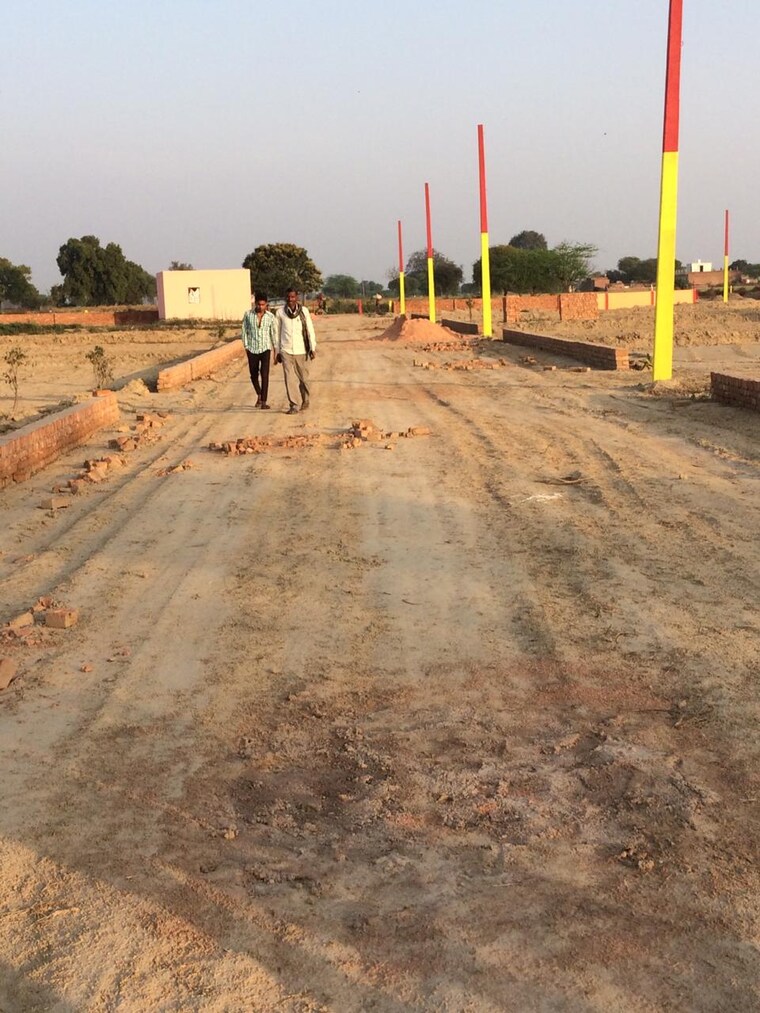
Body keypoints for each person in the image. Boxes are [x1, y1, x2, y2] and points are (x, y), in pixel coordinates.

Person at [275, 288, 316, 414]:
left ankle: (305, 399)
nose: (290, 299)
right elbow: (277, 332)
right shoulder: (280, 312)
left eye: (292, 297)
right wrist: (277, 351)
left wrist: (313, 347)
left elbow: (310, 329)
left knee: (303, 378)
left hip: (301, 349)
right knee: (289, 378)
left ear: (296, 298)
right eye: (288, 297)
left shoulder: (304, 311)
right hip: (286, 349)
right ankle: (294, 404)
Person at [241, 291, 277, 409]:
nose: (260, 307)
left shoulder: (270, 317)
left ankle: (264, 401)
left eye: (262, 305)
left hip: (265, 348)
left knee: (265, 374)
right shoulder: (248, 315)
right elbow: (244, 331)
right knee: (253, 374)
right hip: (252, 349)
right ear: (255, 303)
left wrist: (275, 350)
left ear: (266, 304)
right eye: (258, 304)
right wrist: (246, 346)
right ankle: (259, 393)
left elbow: (273, 334)